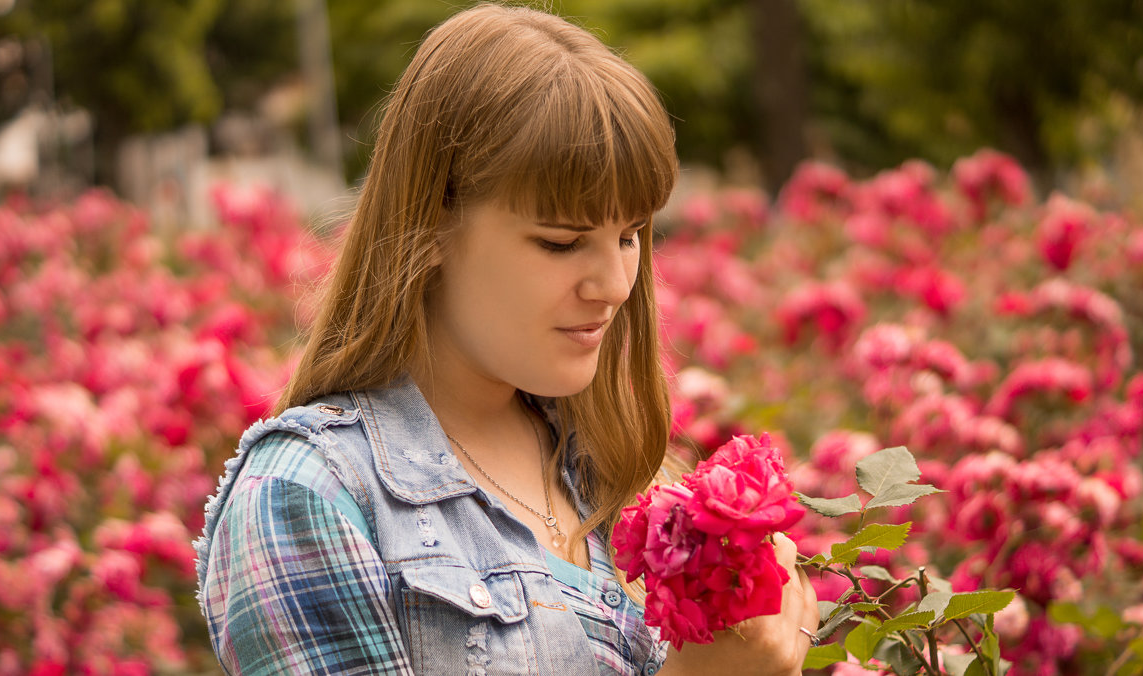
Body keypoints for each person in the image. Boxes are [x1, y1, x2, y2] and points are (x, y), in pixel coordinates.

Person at [194, 3, 819, 674]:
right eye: (561, 242)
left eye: (631, 234)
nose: (613, 284)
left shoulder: (618, 477)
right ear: (432, 223)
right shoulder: (307, 497)